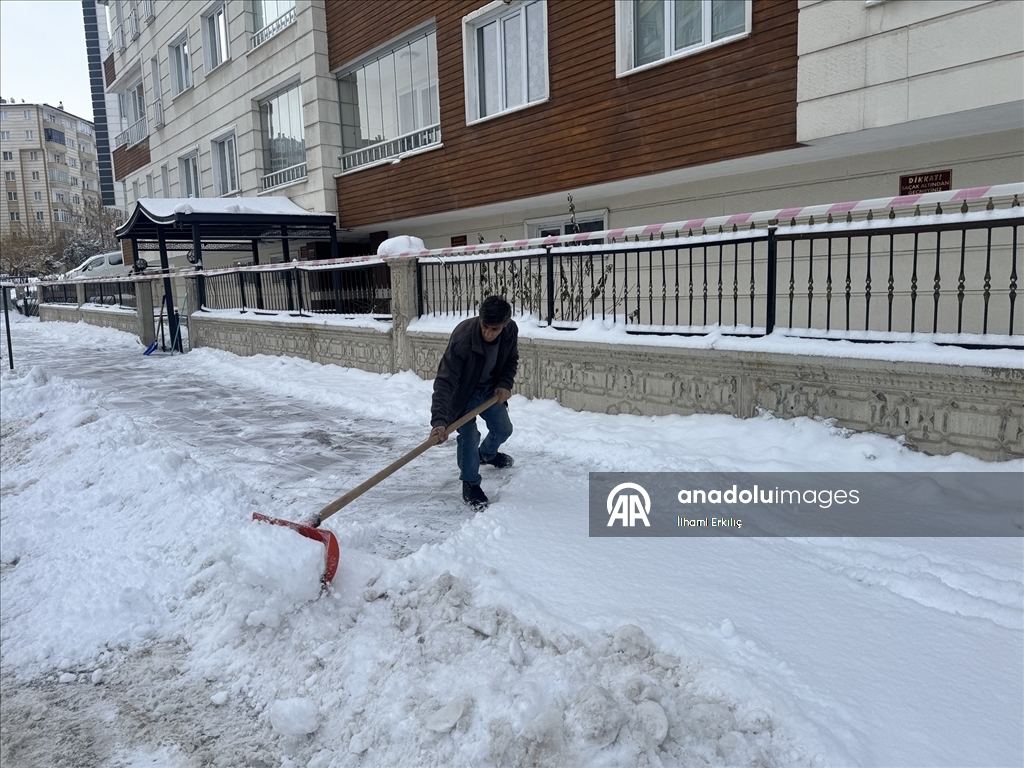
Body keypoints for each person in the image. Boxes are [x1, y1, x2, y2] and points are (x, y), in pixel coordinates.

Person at [430, 295, 518, 509]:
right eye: (484, 326)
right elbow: (444, 381)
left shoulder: (510, 331)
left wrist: (505, 383)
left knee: (504, 429)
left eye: (494, 329)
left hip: (489, 391)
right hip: (462, 395)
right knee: (469, 436)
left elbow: (511, 360)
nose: (488, 333)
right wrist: (439, 421)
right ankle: (470, 483)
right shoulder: (463, 338)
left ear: (504, 325)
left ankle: (486, 454)